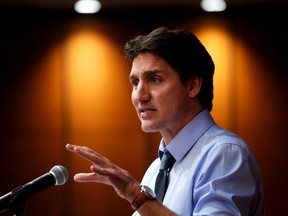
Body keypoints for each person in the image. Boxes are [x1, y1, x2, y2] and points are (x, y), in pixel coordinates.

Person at [66, 26, 264, 215]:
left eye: (154, 79)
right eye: (135, 82)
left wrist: (133, 193)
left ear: (192, 86)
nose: (139, 95)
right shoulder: (154, 171)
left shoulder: (224, 155)